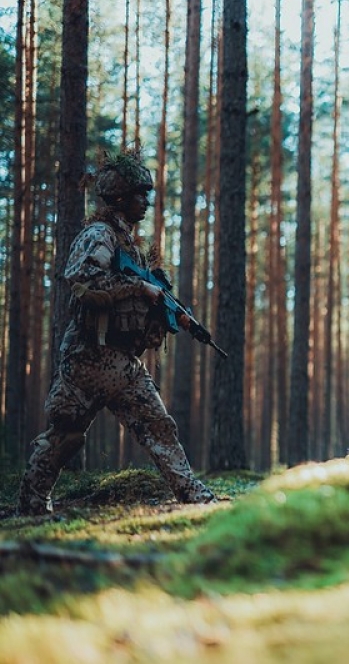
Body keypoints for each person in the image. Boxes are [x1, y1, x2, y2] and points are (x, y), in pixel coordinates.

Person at [17, 147, 216, 516]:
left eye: (147, 194)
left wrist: (165, 307)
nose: (145, 202)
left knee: (147, 428)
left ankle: (196, 497)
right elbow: (82, 279)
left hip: (116, 360)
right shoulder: (99, 235)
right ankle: (31, 505)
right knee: (69, 434)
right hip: (92, 357)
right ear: (120, 196)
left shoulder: (127, 245)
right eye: (140, 194)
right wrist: (139, 289)